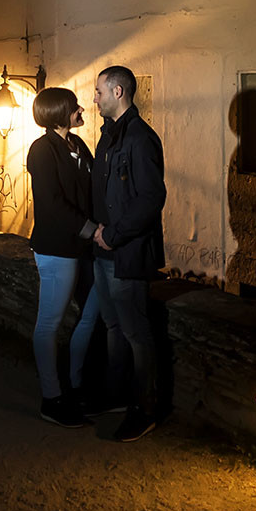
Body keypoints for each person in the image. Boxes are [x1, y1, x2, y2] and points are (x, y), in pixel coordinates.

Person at [90, 65, 166, 442]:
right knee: (115, 326)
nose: (94, 98)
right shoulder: (109, 136)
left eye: (99, 91)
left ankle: (144, 409)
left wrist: (114, 234)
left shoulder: (139, 138)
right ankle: (116, 396)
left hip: (127, 252)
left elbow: (151, 199)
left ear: (118, 92)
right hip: (105, 251)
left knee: (136, 332)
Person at [27, 87, 100, 428]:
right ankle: (52, 398)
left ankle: (75, 385)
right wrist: (91, 229)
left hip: (84, 247)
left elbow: (93, 188)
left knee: (90, 314)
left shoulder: (78, 145)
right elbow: (52, 203)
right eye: (74, 106)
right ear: (58, 112)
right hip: (57, 248)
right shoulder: (41, 151)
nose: (81, 109)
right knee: (49, 323)